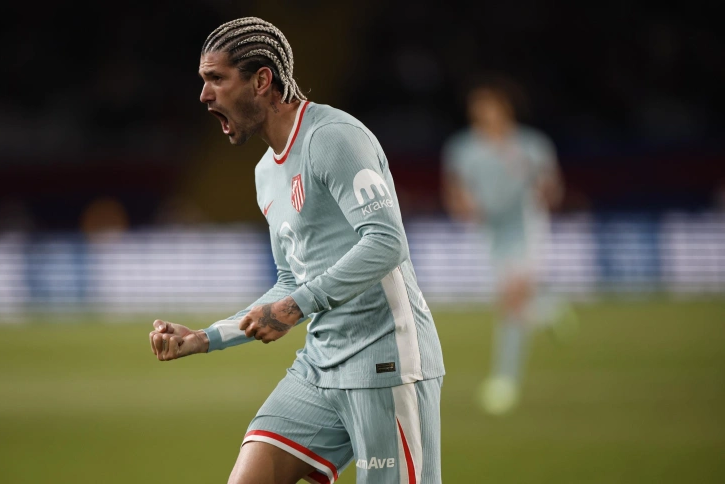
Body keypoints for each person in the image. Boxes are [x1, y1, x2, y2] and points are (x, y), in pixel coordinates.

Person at [149, 17, 445, 484]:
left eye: (217, 79)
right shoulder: (266, 172)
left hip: (384, 361)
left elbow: (386, 242)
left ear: (262, 80)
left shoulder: (334, 138)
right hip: (320, 366)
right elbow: (291, 281)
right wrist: (204, 338)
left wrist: (295, 307)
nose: (204, 96)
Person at [442, 77, 576, 416]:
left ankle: (505, 379)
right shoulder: (462, 149)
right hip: (491, 233)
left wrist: (543, 191)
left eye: (491, 106)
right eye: (479, 108)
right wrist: (464, 206)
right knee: (517, 299)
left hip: (526, 225)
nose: (485, 113)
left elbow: (552, 189)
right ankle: (550, 311)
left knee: (511, 297)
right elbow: (455, 193)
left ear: (505, 108)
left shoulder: (532, 145)